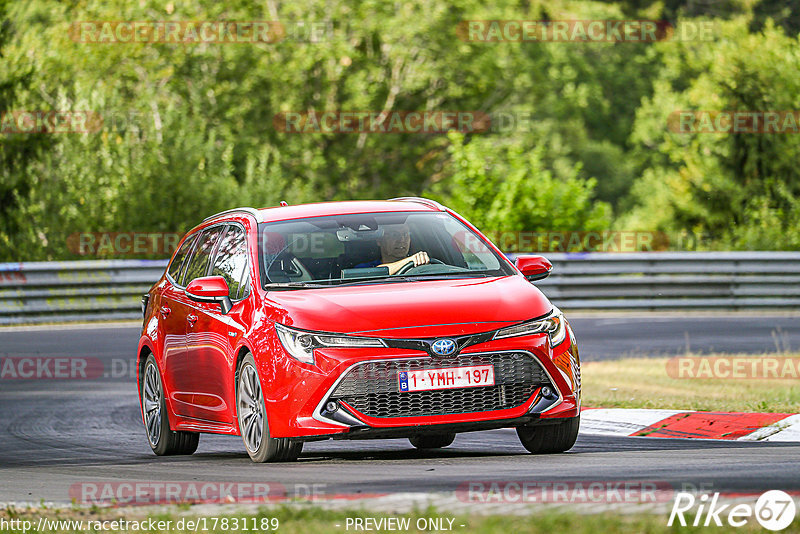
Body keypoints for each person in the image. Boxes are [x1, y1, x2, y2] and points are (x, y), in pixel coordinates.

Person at [357, 223, 429, 275]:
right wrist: (410, 260)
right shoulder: (364, 268)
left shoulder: (420, 264)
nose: (401, 239)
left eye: (405, 234)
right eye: (394, 235)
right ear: (379, 241)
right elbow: (375, 272)